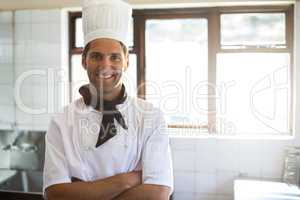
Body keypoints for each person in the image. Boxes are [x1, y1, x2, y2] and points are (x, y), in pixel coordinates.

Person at [43, 0, 173, 199]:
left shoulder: (151, 116)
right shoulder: (61, 121)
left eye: (115, 57)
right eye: (96, 56)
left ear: (127, 61)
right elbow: (55, 193)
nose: (105, 65)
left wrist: (82, 190)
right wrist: (127, 181)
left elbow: (158, 192)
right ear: (84, 61)